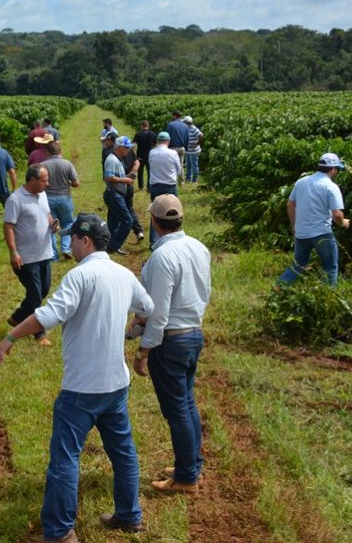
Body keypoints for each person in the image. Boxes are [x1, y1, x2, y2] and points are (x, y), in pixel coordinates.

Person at [0, 214, 154, 541]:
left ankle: (60, 532)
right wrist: (134, 325)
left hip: (81, 389)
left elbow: (46, 317)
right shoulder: (123, 274)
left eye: (72, 239)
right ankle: (129, 515)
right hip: (116, 385)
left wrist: (11, 336)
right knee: (123, 453)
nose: (69, 244)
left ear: (86, 240)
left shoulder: (79, 277)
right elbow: (148, 306)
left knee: (65, 459)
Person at [132, 195, 211, 494]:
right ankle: (189, 464)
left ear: (154, 221)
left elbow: (159, 311)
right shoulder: (198, 248)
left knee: (177, 410)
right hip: (193, 334)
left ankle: (187, 477)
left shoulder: (162, 258)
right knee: (187, 404)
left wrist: (144, 350)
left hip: (171, 342)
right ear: (180, 219)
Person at [277, 153, 350, 287]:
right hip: (322, 234)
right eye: (337, 169)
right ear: (332, 169)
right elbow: (337, 215)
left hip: (301, 233)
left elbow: (290, 204)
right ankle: (327, 298)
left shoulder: (301, 182)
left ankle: (279, 288)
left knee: (299, 264)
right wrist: (343, 222)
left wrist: (294, 226)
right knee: (330, 267)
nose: (337, 172)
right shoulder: (331, 187)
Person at [4, 165, 56, 346]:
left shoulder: (42, 195)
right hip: (26, 258)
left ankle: (18, 317)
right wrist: (13, 252)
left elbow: (47, 214)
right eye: (44, 180)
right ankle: (39, 333)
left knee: (44, 290)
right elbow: (8, 226)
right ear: (32, 180)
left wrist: (52, 223)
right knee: (35, 296)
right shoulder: (15, 199)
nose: (47, 184)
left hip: (44, 253)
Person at [40, 142, 80, 260]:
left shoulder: (42, 165)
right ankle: (66, 248)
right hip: (65, 198)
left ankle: (53, 255)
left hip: (47, 199)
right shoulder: (67, 164)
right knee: (68, 223)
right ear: (60, 152)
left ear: (47, 152)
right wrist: (67, 183)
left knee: (51, 226)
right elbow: (76, 183)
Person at [146, 132, 182, 244]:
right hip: (169, 186)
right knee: (173, 214)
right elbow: (179, 171)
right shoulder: (173, 153)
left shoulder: (152, 152)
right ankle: (172, 239)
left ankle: (154, 241)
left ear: (158, 140)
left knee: (155, 213)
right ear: (168, 141)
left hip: (155, 186)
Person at [103, 137, 135, 256]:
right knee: (128, 221)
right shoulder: (112, 160)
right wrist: (124, 180)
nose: (128, 150)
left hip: (117, 193)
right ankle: (114, 246)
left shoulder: (118, 159)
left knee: (113, 223)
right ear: (119, 147)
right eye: (126, 148)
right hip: (113, 194)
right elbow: (108, 177)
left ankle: (109, 245)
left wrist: (126, 177)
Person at [114, 136, 144, 242]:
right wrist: (132, 175)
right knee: (129, 207)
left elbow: (137, 163)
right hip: (127, 183)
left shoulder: (114, 155)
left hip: (119, 185)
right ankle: (138, 231)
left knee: (118, 209)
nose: (128, 149)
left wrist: (130, 176)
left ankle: (116, 236)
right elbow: (136, 163)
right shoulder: (130, 151)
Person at [133, 121, 157, 191]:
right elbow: (155, 145)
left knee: (140, 172)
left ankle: (141, 186)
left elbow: (134, 144)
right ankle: (149, 187)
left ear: (142, 126)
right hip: (150, 156)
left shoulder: (138, 134)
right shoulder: (153, 134)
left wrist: (134, 155)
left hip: (140, 156)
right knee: (150, 172)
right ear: (148, 126)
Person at [166, 111, 189, 178]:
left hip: (172, 148)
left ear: (175, 116)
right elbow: (187, 138)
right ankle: (181, 182)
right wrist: (186, 148)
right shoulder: (185, 126)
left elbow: (167, 136)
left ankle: (172, 180)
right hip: (181, 148)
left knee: (171, 165)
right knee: (181, 165)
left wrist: (166, 147)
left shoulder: (170, 124)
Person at [183, 116, 203, 184]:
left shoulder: (194, 128)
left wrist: (197, 144)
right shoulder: (187, 128)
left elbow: (201, 136)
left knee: (194, 165)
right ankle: (188, 179)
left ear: (186, 122)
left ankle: (195, 180)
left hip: (194, 151)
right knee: (188, 165)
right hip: (188, 151)